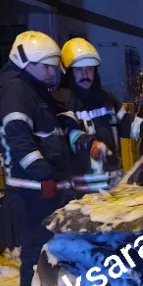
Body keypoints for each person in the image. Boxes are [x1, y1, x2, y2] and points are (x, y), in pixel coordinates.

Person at [0, 30, 75, 286]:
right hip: (32, 191)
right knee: (35, 253)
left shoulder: (36, 92)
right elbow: (18, 138)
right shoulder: (16, 91)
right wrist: (44, 175)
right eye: (47, 66)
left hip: (43, 188)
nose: (53, 72)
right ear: (26, 62)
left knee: (51, 252)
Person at [53, 38, 130, 193]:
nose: (85, 74)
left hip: (114, 185)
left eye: (89, 69)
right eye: (79, 70)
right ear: (68, 72)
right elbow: (70, 133)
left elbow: (129, 125)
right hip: (83, 191)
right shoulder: (61, 101)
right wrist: (91, 144)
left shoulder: (107, 99)